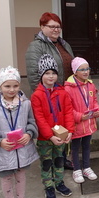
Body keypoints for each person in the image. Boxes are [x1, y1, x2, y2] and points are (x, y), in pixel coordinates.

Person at [0, 66, 39, 198]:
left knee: (21, 175)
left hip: (22, 150)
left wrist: (29, 134)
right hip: (4, 152)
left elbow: (32, 122)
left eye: (15, 86)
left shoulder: (26, 104)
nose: (11, 90)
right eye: (7, 86)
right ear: (0, 86)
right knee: (6, 178)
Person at [25, 12, 75, 170]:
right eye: (52, 26)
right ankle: (52, 160)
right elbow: (34, 75)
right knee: (52, 127)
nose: (56, 30)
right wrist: (43, 96)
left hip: (64, 93)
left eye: (58, 27)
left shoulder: (63, 43)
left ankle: (63, 158)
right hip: (49, 96)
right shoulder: (36, 46)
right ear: (42, 27)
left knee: (64, 127)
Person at [30, 54, 75, 198]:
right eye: (47, 73)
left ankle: (59, 182)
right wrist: (49, 136)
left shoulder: (62, 92)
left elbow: (68, 112)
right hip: (45, 139)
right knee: (47, 162)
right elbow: (39, 118)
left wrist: (69, 131)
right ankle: (49, 186)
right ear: (41, 75)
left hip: (61, 136)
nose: (50, 76)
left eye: (53, 73)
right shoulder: (37, 95)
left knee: (59, 160)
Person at [64, 57, 99, 183]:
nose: (86, 72)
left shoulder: (90, 85)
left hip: (89, 122)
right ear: (75, 72)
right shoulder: (68, 88)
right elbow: (67, 109)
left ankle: (86, 167)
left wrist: (97, 110)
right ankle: (76, 169)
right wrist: (79, 116)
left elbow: (94, 101)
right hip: (76, 124)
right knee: (75, 147)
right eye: (82, 69)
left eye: (87, 69)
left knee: (86, 145)